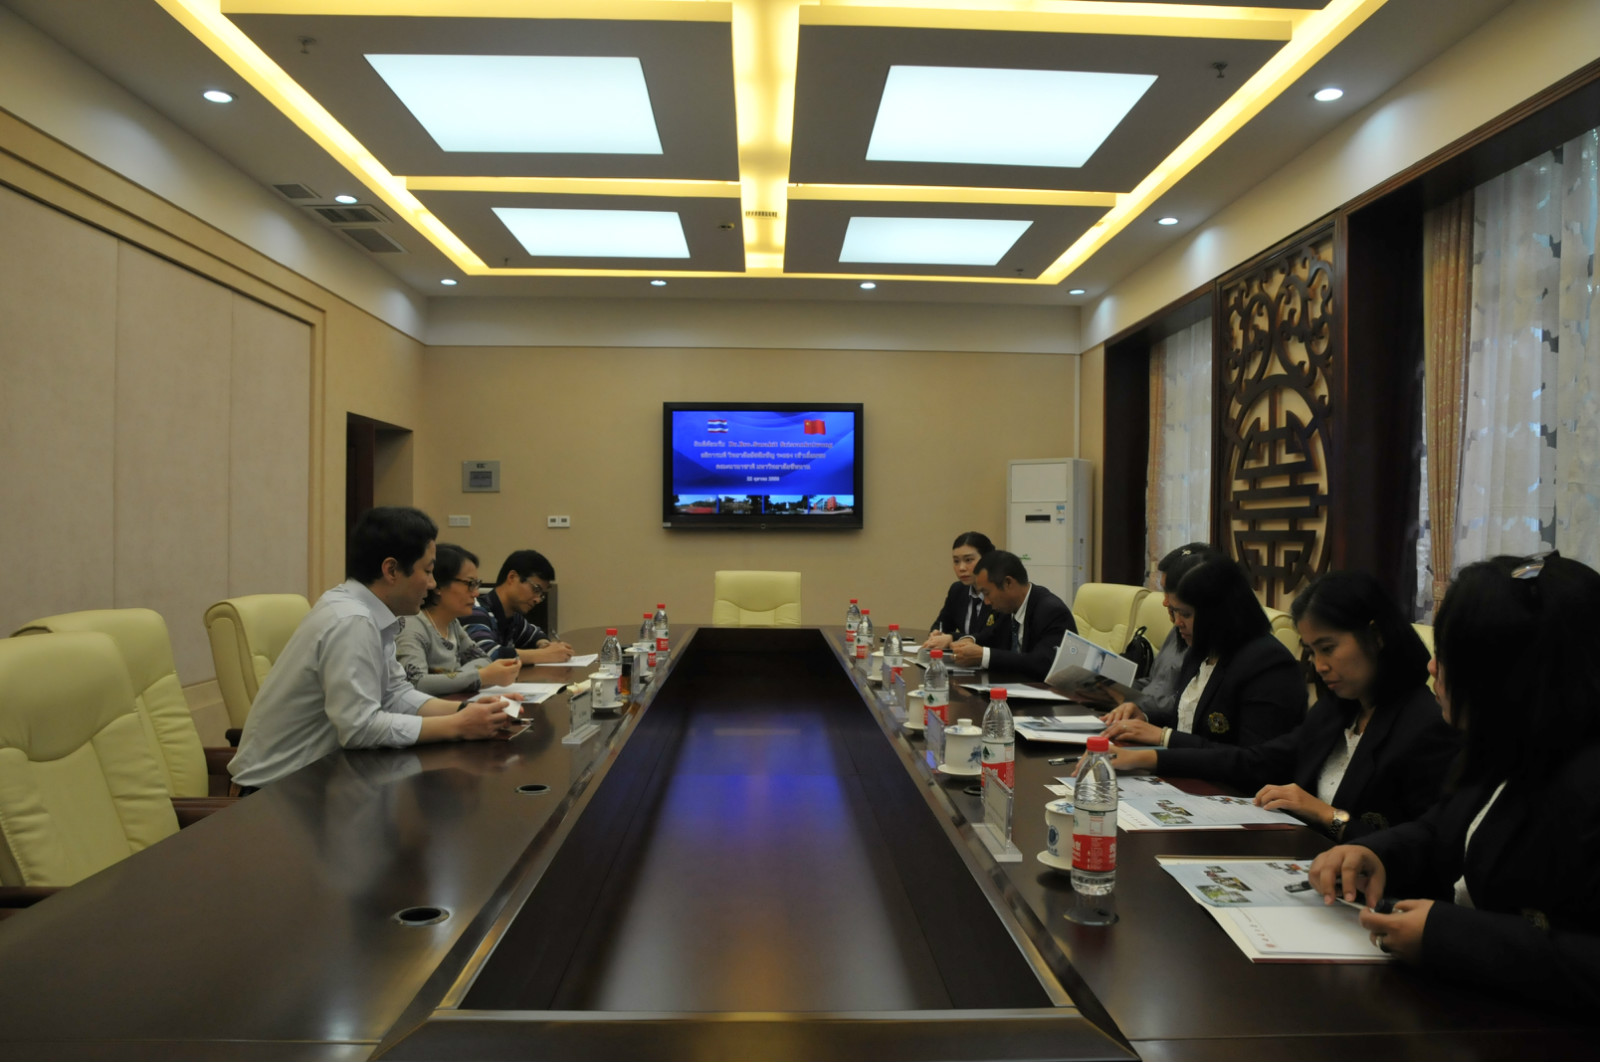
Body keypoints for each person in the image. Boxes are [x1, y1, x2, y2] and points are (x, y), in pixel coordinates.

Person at [1309, 553, 1600, 1012]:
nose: (1431, 668)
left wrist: (1448, 936)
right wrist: (1374, 853)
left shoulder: (1586, 782)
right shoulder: (1510, 741)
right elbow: (1441, 828)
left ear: (1505, 672)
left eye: (1447, 657)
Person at [1099, 570, 1458, 839]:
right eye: (1312, 651)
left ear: (1376, 637)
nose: (1320, 666)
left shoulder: (1425, 725)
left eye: (1328, 648)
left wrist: (1328, 815)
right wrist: (1150, 757)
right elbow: (1257, 760)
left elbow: (1426, 848)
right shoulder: (1340, 708)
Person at [228, 507, 520, 791]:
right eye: (428, 571)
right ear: (391, 570)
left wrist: (467, 710)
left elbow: (395, 693)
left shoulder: (371, 613)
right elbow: (360, 728)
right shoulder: (351, 621)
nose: (432, 584)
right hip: (275, 794)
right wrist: (458, 725)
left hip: (323, 780)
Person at [1100, 555, 1304, 749]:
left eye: (1185, 614)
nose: (1177, 623)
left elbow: (1253, 758)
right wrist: (1144, 717)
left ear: (1218, 612)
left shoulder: (1268, 664)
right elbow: (1190, 722)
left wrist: (1164, 738)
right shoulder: (1200, 651)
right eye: (1174, 612)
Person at [396, 543, 522, 696]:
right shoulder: (411, 625)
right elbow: (416, 684)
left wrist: (460, 679)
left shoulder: (452, 623)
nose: (476, 593)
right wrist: (479, 677)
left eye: (477, 584)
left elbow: (484, 660)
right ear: (438, 585)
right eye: (470, 584)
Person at [1122, 542, 1218, 720]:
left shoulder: (1206, 639)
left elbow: (1187, 705)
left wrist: (1131, 703)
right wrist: (1112, 689)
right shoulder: (1178, 630)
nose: (1165, 602)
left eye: (1171, 592)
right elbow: (1153, 682)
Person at [949, 550, 1076, 681]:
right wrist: (969, 640)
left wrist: (984, 656)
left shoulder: (1051, 611)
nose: (986, 602)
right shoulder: (1007, 608)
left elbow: (1043, 663)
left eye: (987, 593)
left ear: (1008, 583)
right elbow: (990, 636)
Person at [465, 549, 575, 664]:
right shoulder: (474, 611)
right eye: (536, 589)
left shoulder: (513, 617)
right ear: (512, 577)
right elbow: (485, 654)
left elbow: (536, 634)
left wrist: (544, 645)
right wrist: (545, 654)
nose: (537, 599)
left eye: (541, 594)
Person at [923, 531, 998, 651]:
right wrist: (936, 634)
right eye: (956, 561)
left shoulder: (999, 592)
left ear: (987, 560)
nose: (961, 568)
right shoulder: (957, 590)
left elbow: (992, 637)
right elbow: (942, 623)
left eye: (968, 560)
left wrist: (953, 638)